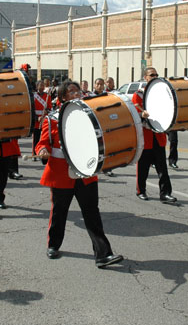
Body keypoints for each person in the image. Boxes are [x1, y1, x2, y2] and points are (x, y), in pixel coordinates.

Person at [36, 80, 123, 268]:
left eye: (78, 91)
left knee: (92, 214)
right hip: (61, 174)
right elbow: (43, 142)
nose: (77, 94)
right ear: (63, 97)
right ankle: (53, 245)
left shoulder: (90, 116)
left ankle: (103, 254)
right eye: (72, 92)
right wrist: (42, 150)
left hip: (86, 173)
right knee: (59, 213)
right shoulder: (52, 119)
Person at [133, 66, 177, 204]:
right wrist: (142, 114)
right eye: (152, 75)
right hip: (145, 138)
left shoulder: (162, 94)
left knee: (162, 169)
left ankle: (165, 193)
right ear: (145, 77)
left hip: (158, 137)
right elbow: (134, 115)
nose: (155, 76)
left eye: (156, 75)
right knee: (143, 168)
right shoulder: (139, 94)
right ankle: (141, 190)